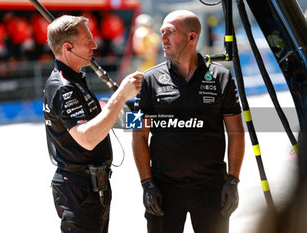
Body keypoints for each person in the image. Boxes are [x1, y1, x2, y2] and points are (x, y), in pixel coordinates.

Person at [132, 10, 245, 233]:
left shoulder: (222, 76)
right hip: (164, 190)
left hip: (210, 188)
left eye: (170, 33)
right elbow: (138, 134)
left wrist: (233, 180)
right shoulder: (149, 79)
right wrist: (147, 183)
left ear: (191, 38)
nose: (162, 39)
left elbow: (236, 132)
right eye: (161, 32)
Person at [43, 15, 143, 233]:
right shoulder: (63, 87)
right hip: (79, 190)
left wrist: (147, 121)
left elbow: (104, 119)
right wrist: (121, 95)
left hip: (92, 186)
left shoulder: (76, 79)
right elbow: (87, 138)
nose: (95, 45)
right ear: (68, 47)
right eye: (88, 41)